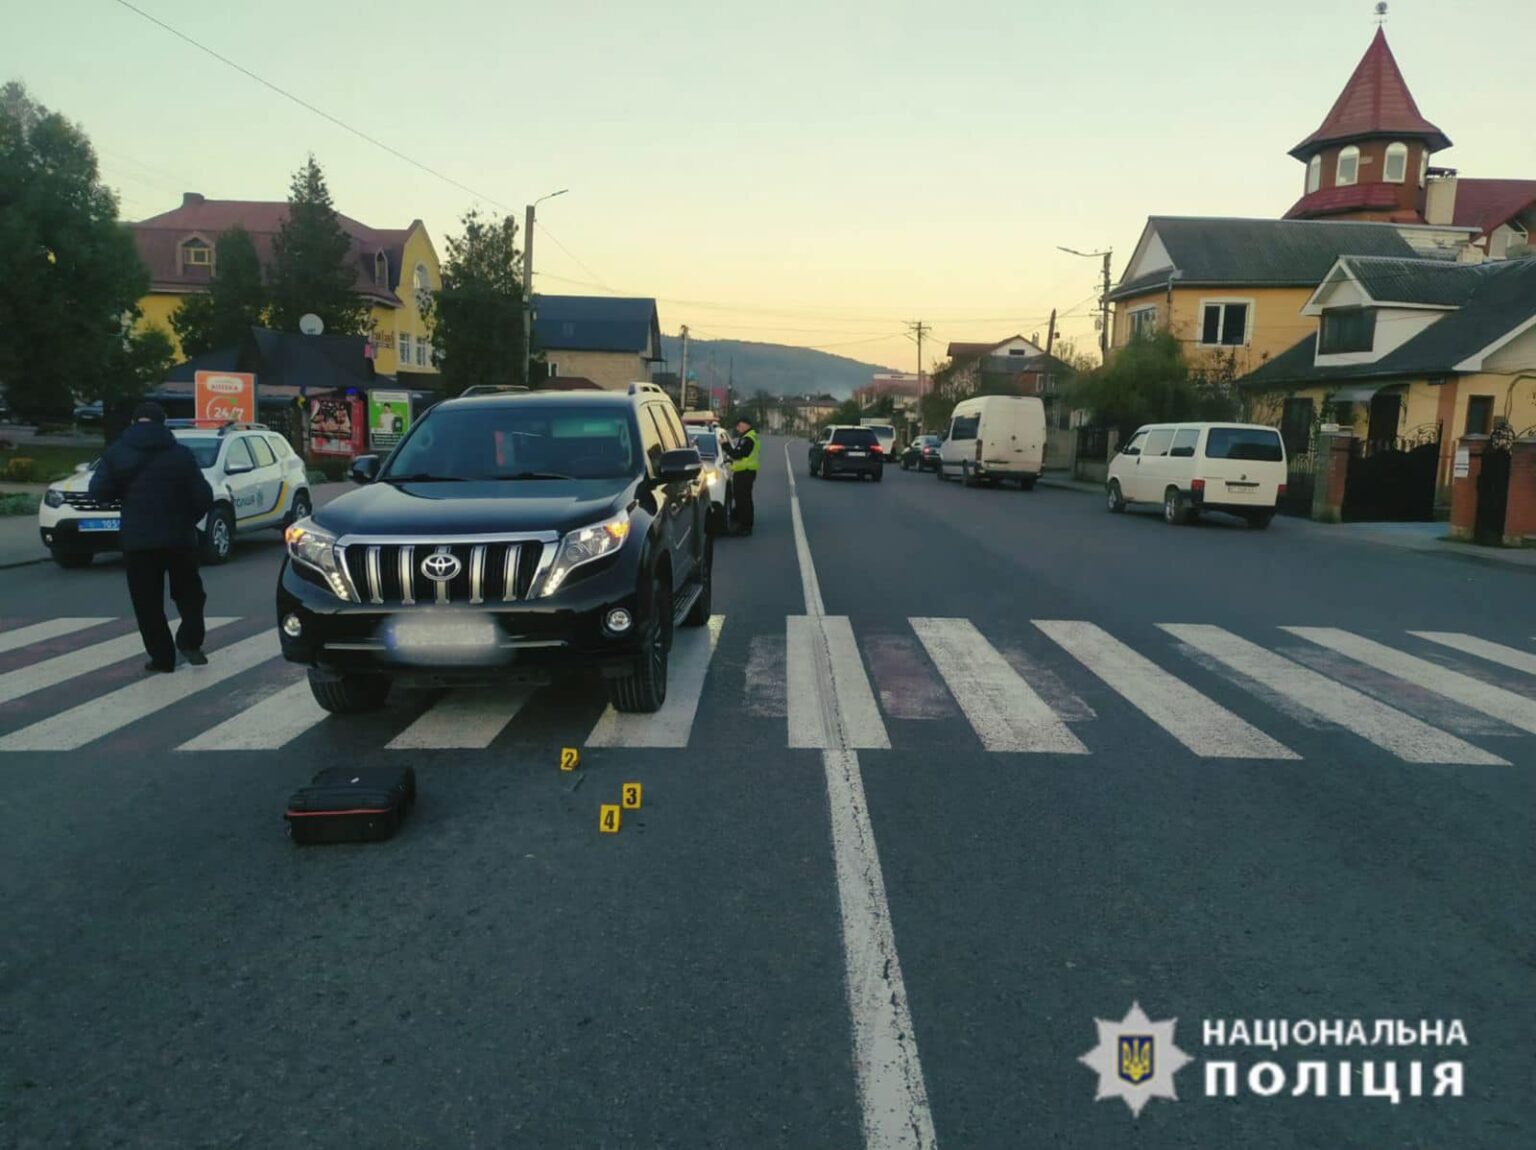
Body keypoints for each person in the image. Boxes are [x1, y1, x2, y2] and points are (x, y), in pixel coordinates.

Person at [90, 402, 215, 673]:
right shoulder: (182, 455)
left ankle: (162, 658)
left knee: (147, 603)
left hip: (138, 542)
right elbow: (204, 496)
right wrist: (187, 520)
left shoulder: (116, 453)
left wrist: (123, 499)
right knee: (190, 595)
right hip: (180, 539)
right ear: (164, 422)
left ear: (134, 422)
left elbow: (98, 491)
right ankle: (190, 641)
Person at [722, 416, 760, 535]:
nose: (738, 429)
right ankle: (742, 523)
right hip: (745, 472)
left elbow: (738, 454)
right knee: (743, 499)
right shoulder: (749, 437)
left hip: (745, 473)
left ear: (745, 425)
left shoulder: (748, 439)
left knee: (743, 500)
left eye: (739, 426)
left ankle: (745, 527)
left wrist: (725, 445)